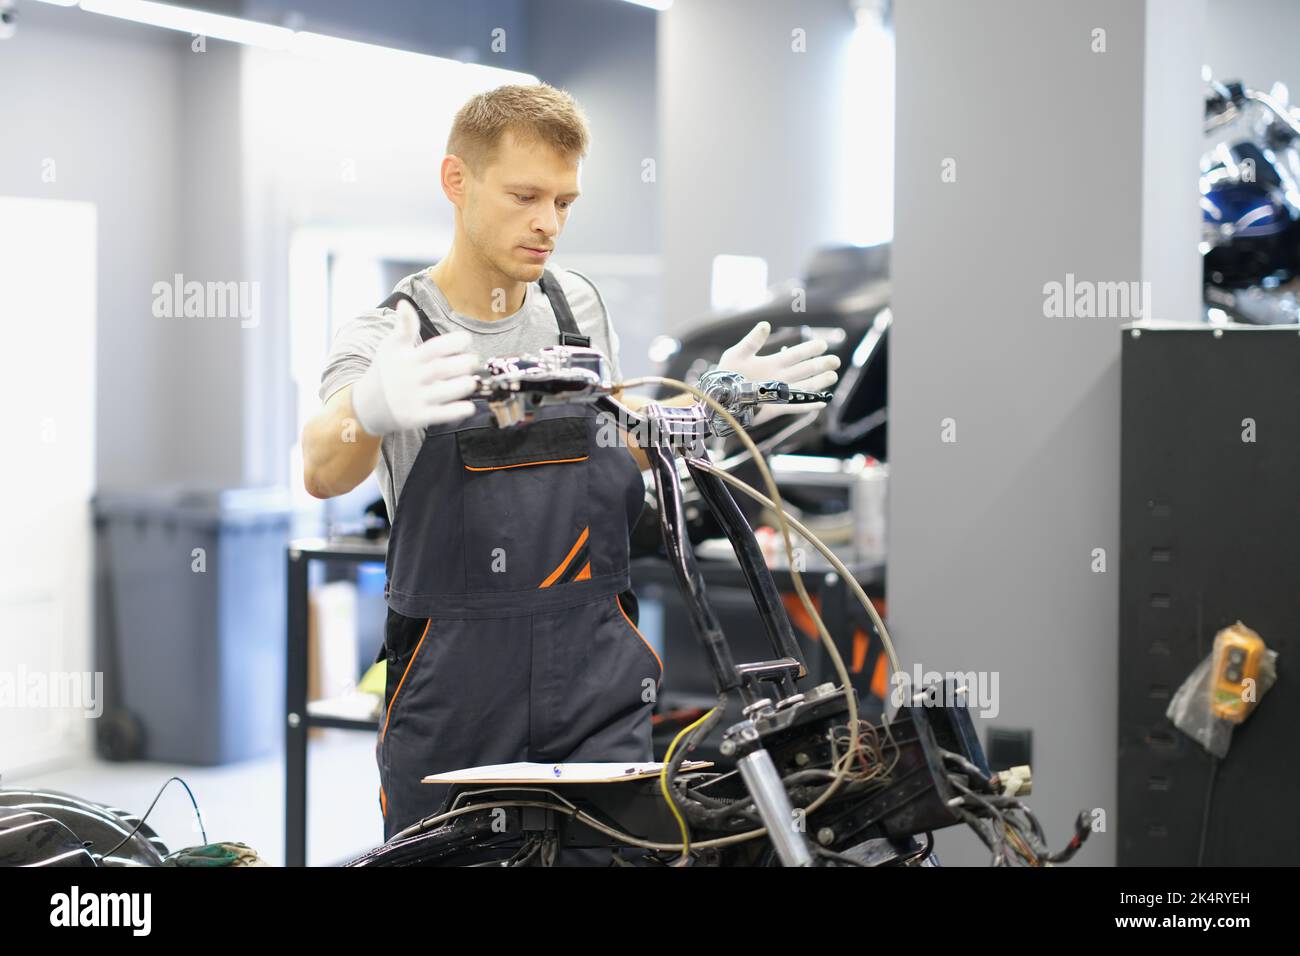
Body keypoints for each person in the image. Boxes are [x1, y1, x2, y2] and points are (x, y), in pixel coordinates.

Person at [301, 83, 839, 859]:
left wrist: (712, 405)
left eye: (564, 201)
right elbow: (322, 466)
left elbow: (615, 453)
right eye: (524, 196)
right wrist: (373, 405)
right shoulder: (394, 332)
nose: (547, 223)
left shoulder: (574, 306)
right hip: (455, 690)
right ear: (458, 182)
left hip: (594, 671)